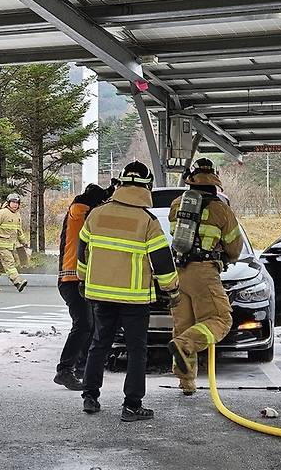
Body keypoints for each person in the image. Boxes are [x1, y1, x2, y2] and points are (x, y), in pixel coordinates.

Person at [77, 161, 179, 422]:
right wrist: (172, 289)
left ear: (120, 184)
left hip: (100, 295)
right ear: (147, 187)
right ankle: (132, 406)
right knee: (136, 350)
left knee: (99, 344)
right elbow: (163, 263)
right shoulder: (147, 221)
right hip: (134, 300)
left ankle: (90, 396)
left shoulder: (97, 215)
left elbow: (82, 253)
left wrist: (82, 279)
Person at [167, 158, 242, 395]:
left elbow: (174, 234)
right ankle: (183, 345)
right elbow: (234, 248)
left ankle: (186, 383)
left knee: (184, 325)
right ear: (214, 183)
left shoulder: (177, 204)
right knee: (221, 320)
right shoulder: (221, 209)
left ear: (191, 180)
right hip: (204, 272)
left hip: (179, 272)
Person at [54, 183, 113, 391]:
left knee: (91, 323)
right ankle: (65, 370)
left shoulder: (83, 211)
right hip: (72, 280)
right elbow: (93, 217)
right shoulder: (79, 211)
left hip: (82, 280)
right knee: (84, 324)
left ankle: (81, 367)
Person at [0, 193, 29, 292]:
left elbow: (19, 231)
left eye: (17, 203)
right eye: (13, 202)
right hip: (1, 245)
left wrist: (24, 242)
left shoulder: (17, 215)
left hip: (10, 245)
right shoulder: (1, 213)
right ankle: (17, 282)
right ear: (8, 203)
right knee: (9, 263)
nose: (15, 204)